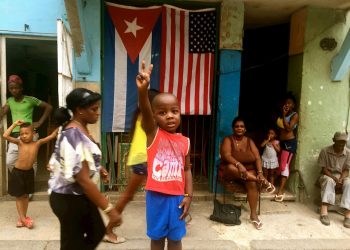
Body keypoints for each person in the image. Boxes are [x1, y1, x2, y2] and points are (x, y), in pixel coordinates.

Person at [48, 88, 122, 249]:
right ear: (79, 110)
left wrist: (98, 167)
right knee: (72, 243)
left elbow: (80, 158)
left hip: (79, 196)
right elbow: (83, 180)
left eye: (98, 108)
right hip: (68, 198)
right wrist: (110, 210)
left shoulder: (80, 128)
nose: (98, 113)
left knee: (96, 232)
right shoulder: (73, 134)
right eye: (94, 109)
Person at [132, 61, 192, 250]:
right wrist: (143, 91)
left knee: (175, 239)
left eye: (174, 111)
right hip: (156, 198)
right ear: (155, 117)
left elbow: (187, 169)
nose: (170, 116)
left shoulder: (185, 141)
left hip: (177, 199)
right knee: (157, 239)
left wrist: (189, 195)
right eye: (162, 112)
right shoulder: (153, 134)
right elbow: (145, 111)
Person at [104, 89, 159, 243]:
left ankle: (175, 220)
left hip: (141, 160)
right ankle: (108, 230)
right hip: (144, 160)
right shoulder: (149, 117)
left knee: (131, 196)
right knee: (127, 196)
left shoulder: (140, 116)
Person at [1, 75, 52, 199]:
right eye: (11, 88)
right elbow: (2, 112)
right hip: (16, 136)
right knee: (10, 161)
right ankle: (20, 182)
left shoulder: (30, 100)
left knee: (32, 162)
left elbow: (48, 107)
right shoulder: (10, 101)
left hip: (31, 134)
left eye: (16, 88)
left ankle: (29, 188)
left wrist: (39, 123)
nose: (14, 91)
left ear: (21, 88)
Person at [220, 116, 275, 230]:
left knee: (252, 184)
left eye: (242, 126)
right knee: (231, 167)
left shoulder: (249, 141)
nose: (239, 128)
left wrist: (260, 172)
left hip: (249, 173)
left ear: (245, 129)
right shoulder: (228, 140)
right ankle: (263, 182)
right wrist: (239, 165)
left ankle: (253, 215)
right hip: (233, 172)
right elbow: (226, 155)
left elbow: (257, 158)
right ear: (233, 128)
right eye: (237, 126)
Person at [3, 120, 58, 229]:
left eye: (26, 133)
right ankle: (23, 219)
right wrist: (14, 124)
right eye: (21, 134)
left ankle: (22, 217)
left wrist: (60, 126)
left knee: (26, 195)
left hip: (29, 173)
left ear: (33, 133)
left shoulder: (37, 143)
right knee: (19, 196)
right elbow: (5, 135)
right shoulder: (19, 143)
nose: (23, 136)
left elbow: (52, 136)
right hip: (18, 172)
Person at [318, 132, 350, 228]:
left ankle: (348, 215)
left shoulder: (348, 153)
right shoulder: (325, 151)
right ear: (333, 140)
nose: (341, 144)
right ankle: (324, 212)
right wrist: (334, 178)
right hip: (328, 175)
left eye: (343, 142)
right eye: (339, 142)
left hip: (342, 176)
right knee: (329, 181)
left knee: (349, 183)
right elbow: (323, 169)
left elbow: (346, 170)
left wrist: (341, 179)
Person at [275, 92, 299, 202]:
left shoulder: (294, 115)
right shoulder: (281, 114)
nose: (287, 105)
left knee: (284, 166)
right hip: (282, 142)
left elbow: (289, 128)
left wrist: (284, 115)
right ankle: (274, 185)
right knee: (278, 164)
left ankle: (281, 190)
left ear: (293, 105)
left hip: (290, 143)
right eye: (285, 103)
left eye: (289, 103)